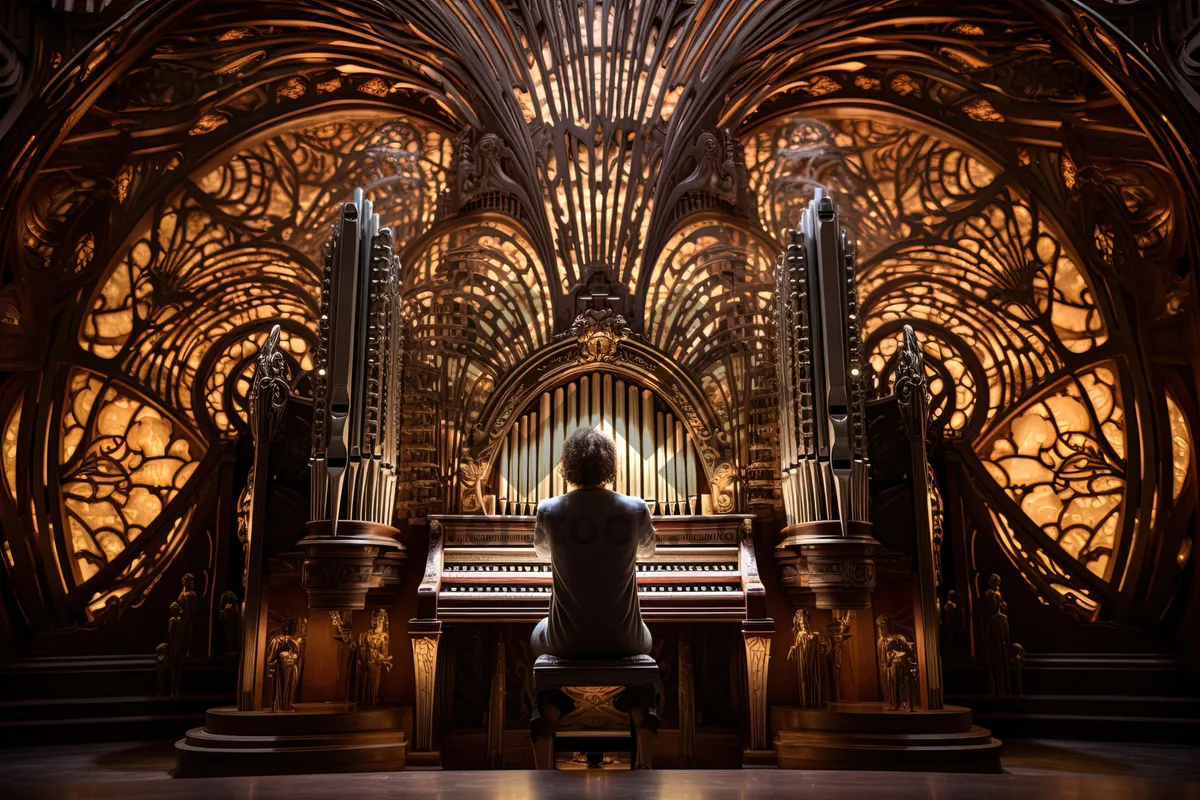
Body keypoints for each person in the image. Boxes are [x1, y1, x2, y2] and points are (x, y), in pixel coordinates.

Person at [529, 426, 658, 769]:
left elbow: (542, 553)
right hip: (626, 640)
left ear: (567, 465)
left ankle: (552, 707)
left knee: (536, 633)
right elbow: (647, 552)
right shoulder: (635, 508)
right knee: (649, 636)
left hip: (565, 641)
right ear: (610, 466)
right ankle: (637, 708)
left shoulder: (549, 509)